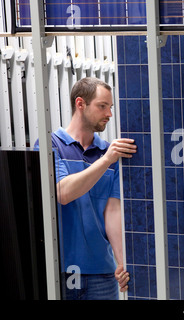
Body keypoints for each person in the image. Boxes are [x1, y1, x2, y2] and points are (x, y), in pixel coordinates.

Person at [35, 77, 136, 299]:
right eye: (102, 106)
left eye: (110, 107)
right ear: (80, 104)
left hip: (102, 272)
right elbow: (62, 193)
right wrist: (106, 160)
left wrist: (122, 262)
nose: (109, 114)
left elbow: (113, 212)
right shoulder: (50, 145)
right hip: (60, 269)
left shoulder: (110, 154)